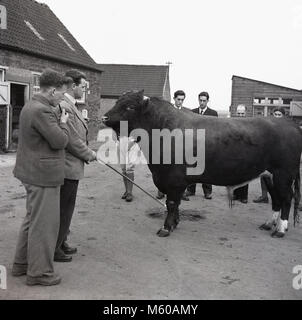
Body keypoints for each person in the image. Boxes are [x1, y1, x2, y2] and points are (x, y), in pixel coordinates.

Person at [12, 69, 70, 286]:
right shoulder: (42, 111)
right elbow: (60, 141)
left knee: (31, 220)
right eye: (61, 94)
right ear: (53, 90)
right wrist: (63, 121)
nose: (62, 98)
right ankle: (39, 273)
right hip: (42, 176)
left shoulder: (31, 105)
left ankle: (21, 264)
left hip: (31, 172)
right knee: (44, 225)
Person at [54, 70, 97, 263]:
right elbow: (71, 139)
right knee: (62, 209)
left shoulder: (73, 105)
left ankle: (61, 241)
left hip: (72, 166)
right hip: (67, 167)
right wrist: (90, 154)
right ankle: (55, 247)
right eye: (83, 86)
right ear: (73, 86)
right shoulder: (65, 106)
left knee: (67, 208)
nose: (85, 90)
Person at [156, 90, 190, 201]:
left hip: (180, 144)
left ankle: (182, 192)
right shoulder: (167, 111)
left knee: (180, 169)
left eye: (182, 100)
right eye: (178, 99)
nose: (180, 102)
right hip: (166, 143)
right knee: (163, 167)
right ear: (174, 99)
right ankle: (161, 190)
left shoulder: (186, 113)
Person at [186, 91, 218, 199]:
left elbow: (215, 130)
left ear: (208, 101)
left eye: (204, 100)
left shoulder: (213, 113)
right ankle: (190, 190)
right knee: (192, 166)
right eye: (200, 100)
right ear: (198, 100)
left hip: (207, 144)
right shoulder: (192, 112)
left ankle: (207, 192)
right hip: (193, 144)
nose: (202, 102)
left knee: (207, 168)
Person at [253, 107, 285, 203]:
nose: (277, 117)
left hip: (282, 156)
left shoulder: (286, 128)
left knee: (281, 177)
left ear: (283, 116)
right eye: (275, 114)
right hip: (270, 156)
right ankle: (264, 196)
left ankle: (281, 197)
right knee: (264, 174)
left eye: (279, 115)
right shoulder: (269, 127)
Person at [232, 104, 249, 203]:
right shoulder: (233, 123)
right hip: (234, 153)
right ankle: (236, 194)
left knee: (245, 175)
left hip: (246, 153)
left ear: (245, 113)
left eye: (242, 113)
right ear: (236, 113)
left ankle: (244, 196)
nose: (240, 115)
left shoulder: (249, 124)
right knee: (235, 174)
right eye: (238, 113)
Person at [118, 135, 140, 202]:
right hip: (121, 141)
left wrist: (133, 141)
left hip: (132, 141)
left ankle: (129, 192)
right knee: (123, 168)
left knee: (129, 168)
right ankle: (127, 190)